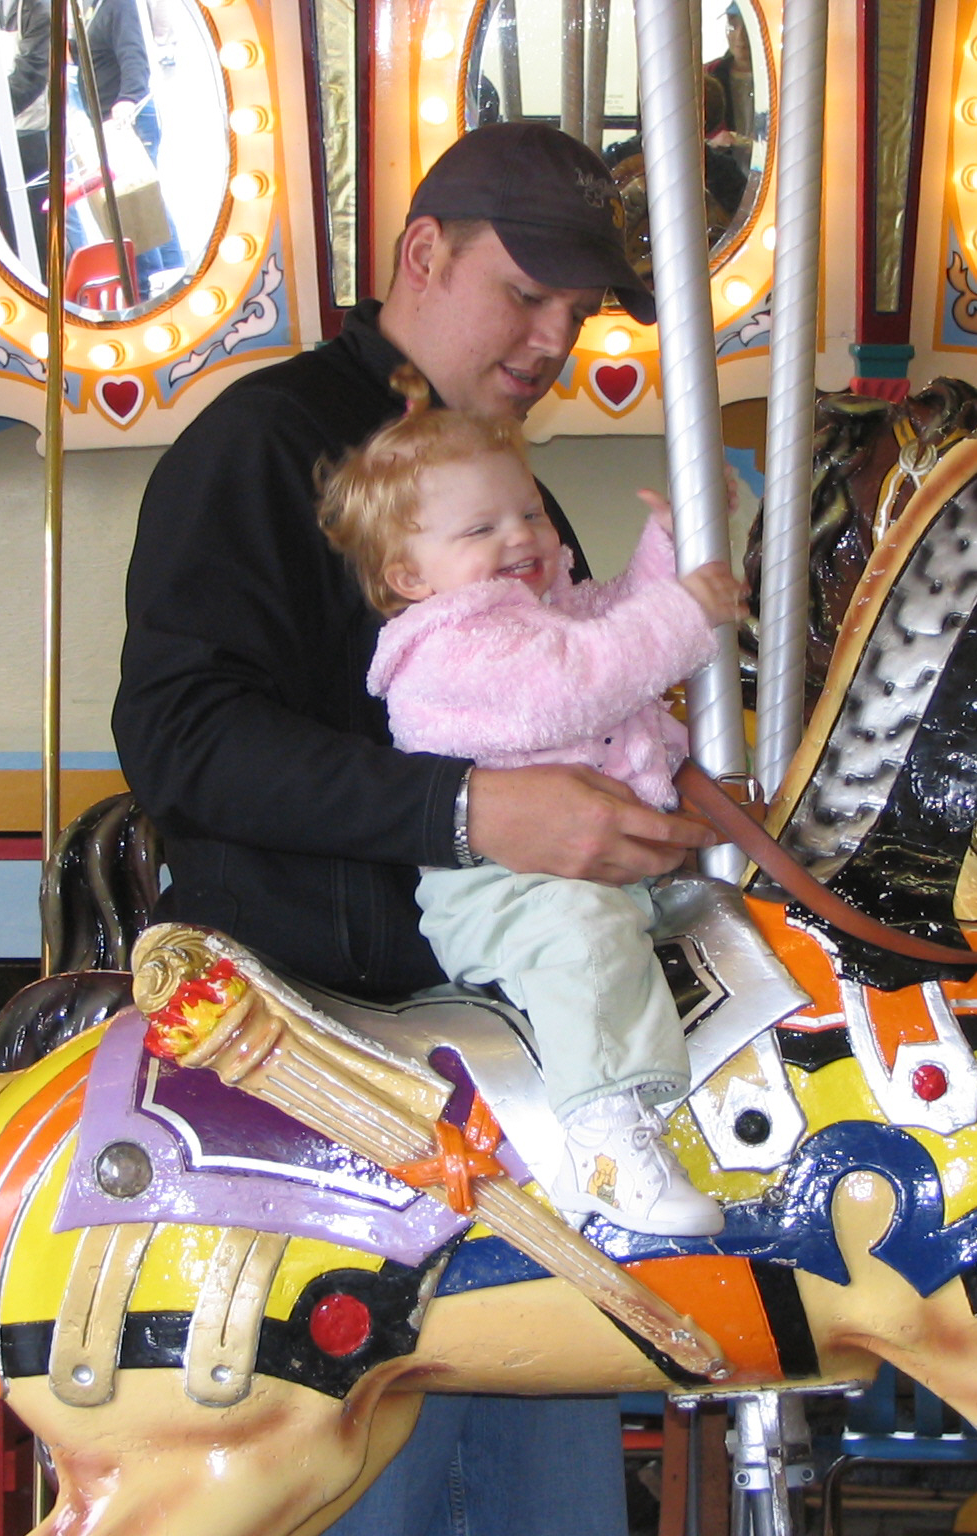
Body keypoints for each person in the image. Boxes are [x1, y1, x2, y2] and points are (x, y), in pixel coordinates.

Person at [115, 121, 715, 1534]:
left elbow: (571, 694)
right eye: (529, 294)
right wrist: (467, 812)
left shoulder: (507, 486)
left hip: (499, 1065)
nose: (555, 335)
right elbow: (182, 737)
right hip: (335, 1045)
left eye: (577, 313)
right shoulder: (259, 450)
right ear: (423, 255)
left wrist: (657, 794)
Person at [320, 370, 738, 1235]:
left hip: (608, 870)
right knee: (581, 945)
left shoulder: (543, 612)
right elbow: (579, 682)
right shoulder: (448, 646)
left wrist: (677, 539)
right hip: (503, 886)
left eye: (530, 514)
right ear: (408, 574)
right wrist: (687, 617)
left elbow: (621, 612)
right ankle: (608, 1138)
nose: (522, 536)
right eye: (482, 527)